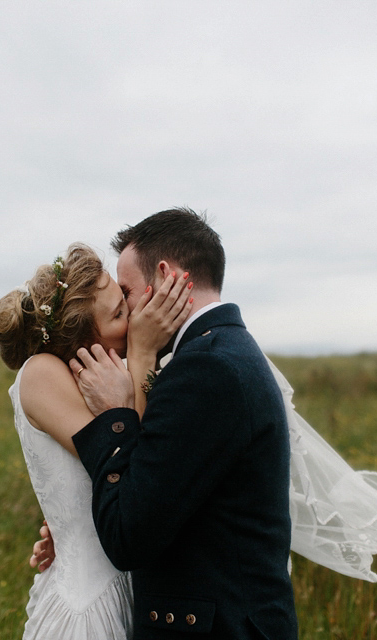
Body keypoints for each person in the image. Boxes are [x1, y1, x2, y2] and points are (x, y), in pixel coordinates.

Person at [64, 208, 299, 638]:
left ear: (166, 276)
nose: (129, 311)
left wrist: (116, 415)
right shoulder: (221, 351)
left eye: (128, 291)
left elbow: (128, 536)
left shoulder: (206, 370)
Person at [0, 242, 194, 639]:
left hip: (135, 588)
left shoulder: (117, 372)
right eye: (118, 314)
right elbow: (132, 460)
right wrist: (145, 350)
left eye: (123, 299)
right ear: (80, 342)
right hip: (89, 609)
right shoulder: (41, 373)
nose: (133, 315)